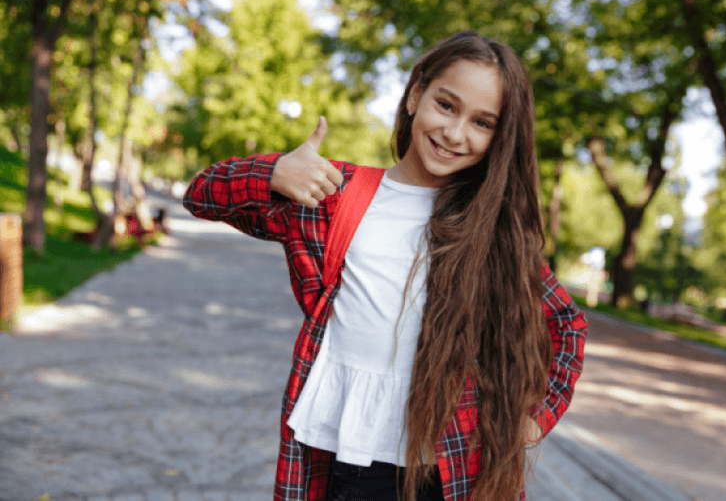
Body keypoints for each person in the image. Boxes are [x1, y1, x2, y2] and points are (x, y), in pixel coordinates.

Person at [183, 30, 587, 501]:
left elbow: (565, 324)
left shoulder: (494, 229)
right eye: (447, 105)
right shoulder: (336, 194)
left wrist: (535, 417)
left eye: (483, 122)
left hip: (450, 462)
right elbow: (202, 195)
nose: (455, 133)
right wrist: (273, 173)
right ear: (416, 94)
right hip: (350, 455)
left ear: (500, 135)